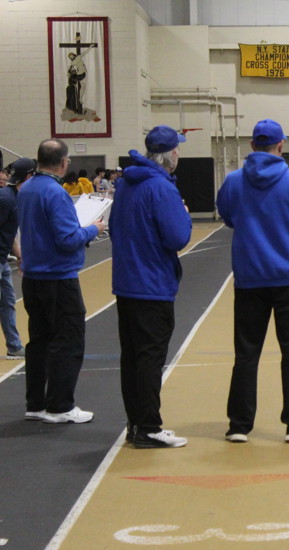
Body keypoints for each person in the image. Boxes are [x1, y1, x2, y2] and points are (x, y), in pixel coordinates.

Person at [216, 119, 289, 443]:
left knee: (246, 354)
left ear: (252, 145)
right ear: (281, 145)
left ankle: (239, 425)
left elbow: (227, 216)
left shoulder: (233, 181)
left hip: (249, 279)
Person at [109, 125, 192, 449]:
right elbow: (177, 237)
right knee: (149, 358)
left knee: (132, 357)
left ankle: (136, 424)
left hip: (126, 282)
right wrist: (183, 214)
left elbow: (114, 227)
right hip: (152, 283)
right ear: (171, 155)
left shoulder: (126, 185)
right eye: (177, 150)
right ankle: (148, 427)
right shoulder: (161, 188)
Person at [18, 139, 106, 423]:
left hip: (33, 277)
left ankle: (36, 403)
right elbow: (67, 239)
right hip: (58, 277)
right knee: (68, 340)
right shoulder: (56, 193)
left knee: (39, 341)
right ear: (64, 162)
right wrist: (93, 229)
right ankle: (60, 406)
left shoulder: (27, 188)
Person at [0, 158, 35, 359]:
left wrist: (20, 256)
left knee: (8, 302)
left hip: (3, 260)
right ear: (29, 177)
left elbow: (9, 231)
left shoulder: (14, 197)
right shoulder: (6, 199)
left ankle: (13, 345)